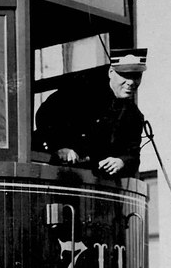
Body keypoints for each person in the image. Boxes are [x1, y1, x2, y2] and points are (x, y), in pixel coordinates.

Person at [34, 49, 147, 178]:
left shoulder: (134, 116)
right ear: (111, 72)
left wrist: (121, 161)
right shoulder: (81, 91)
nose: (131, 82)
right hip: (55, 174)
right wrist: (60, 147)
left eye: (136, 76)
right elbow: (45, 115)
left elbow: (133, 156)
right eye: (125, 76)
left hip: (93, 182)